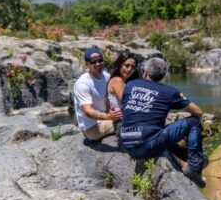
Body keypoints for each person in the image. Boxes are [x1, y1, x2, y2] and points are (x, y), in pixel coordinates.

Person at [119, 57, 206, 187]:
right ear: (163, 75)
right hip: (147, 145)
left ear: (145, 72)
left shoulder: (130, 85)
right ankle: (194, 168)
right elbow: (198, 111)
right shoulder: (169, 91)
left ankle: (183, 156)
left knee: (159, 130)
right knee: (193, 123)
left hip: (126, 142)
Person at [73, 47, 122, 141]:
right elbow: (88, 111)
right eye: (93, 62)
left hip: (105, 118)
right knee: (127, 124)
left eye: (100, 60)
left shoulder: (106, 76)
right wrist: (109, 117)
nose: (98, 64)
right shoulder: (83, 83)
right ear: (87, 64)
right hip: (92, 127)